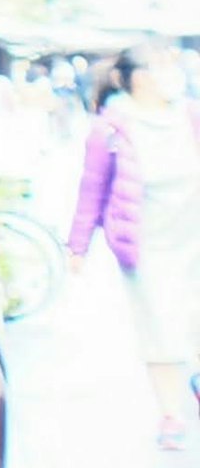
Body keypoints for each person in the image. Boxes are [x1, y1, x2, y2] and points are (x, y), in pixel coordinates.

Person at [71, 45, 200, 444]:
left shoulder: (192, 114)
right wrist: (77, 245)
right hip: (145, 244)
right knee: (158, 326)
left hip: (193, 233)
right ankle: (170, 415)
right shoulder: (110, 128)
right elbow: (92, 187)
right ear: (141, 77)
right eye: (168, 66)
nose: (176, 75)